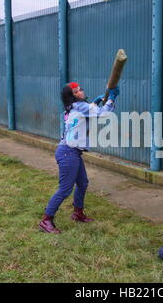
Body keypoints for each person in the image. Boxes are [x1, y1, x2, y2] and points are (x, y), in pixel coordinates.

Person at [38, 82, 120, 234]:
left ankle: (78, 213)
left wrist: (94, 103)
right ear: (74, 95)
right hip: (68, 152)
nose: (82, 91)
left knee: (82, 183)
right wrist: (112, 98)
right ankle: (46, 220)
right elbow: (103, 114)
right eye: (78, 90)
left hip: (71, 152)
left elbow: (88, 113)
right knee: (65, 189)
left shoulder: (71, 108)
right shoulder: (80, 106)